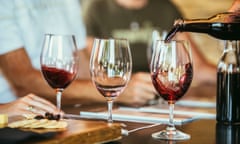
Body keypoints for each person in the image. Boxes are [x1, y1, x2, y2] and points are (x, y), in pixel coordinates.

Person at [0, 0, 154, 107]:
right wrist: (113, 91)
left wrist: (121, 83)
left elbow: (82, 67)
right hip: (16, 121)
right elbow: (21, 83)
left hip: (68, 108)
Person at [83, 0, 217, 97]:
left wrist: (231, 74)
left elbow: (198, 69)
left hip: (156, 100)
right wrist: (125, 89)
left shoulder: (166, 7)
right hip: (115, 100)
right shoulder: (96, 8)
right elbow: (93, 72)